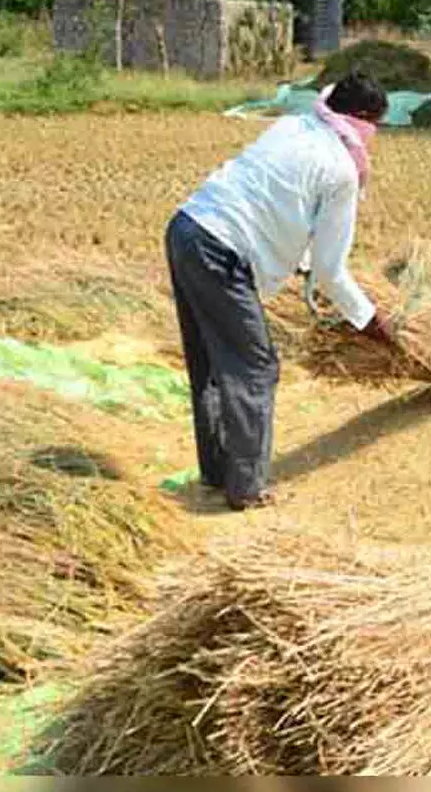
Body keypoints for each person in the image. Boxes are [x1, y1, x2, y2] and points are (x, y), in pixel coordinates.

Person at [164, 69, 396, 511]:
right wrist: (371, 322)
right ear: (365, 120)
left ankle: (219, 472)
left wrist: (299, 265)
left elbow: (278, 203)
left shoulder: (294, 124)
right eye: (378, 126)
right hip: (220, 251)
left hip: (186, 228)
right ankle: (247, 489)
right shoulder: (342, 171)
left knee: (212, 360)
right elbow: (332, 272)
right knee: (255, 366)